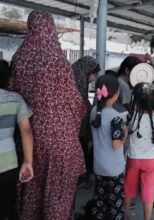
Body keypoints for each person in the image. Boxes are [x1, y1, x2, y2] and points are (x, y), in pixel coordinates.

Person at [8, 11, 85, 219]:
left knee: (32, 188)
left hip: (28, 137)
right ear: (50, 28)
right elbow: (75, 101)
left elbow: (12, 93)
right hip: (61, 139)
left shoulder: (19, 58)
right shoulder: (58, 60)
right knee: (59, 193)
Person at [124, 83, 154, 220]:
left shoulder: (130, 116)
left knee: (129, 189)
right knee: (148, 191)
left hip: (133, 159)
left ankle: (125, 216)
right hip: (151, 160)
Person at [90, 75, 127, 220]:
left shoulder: (94, 113)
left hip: (98, 166)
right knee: (115, 204)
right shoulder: (116, 116)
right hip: (114, 169)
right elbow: (116, 144)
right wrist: (125, 134)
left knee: (100, 201)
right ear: (116, 94)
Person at [0, 59, 34, 220]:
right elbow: (26, 130)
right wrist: (28, 162)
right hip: (8, 164)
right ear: (8, 79)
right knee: (5, 209)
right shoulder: (16, 99)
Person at [72, 56, 100, 187]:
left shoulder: (86, 83)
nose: (94, 78)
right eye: (93, 74)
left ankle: (82, 176)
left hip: (82, 124)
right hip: (73, 126)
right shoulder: (73, 82)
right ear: (86, 71)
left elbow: (88, 102)